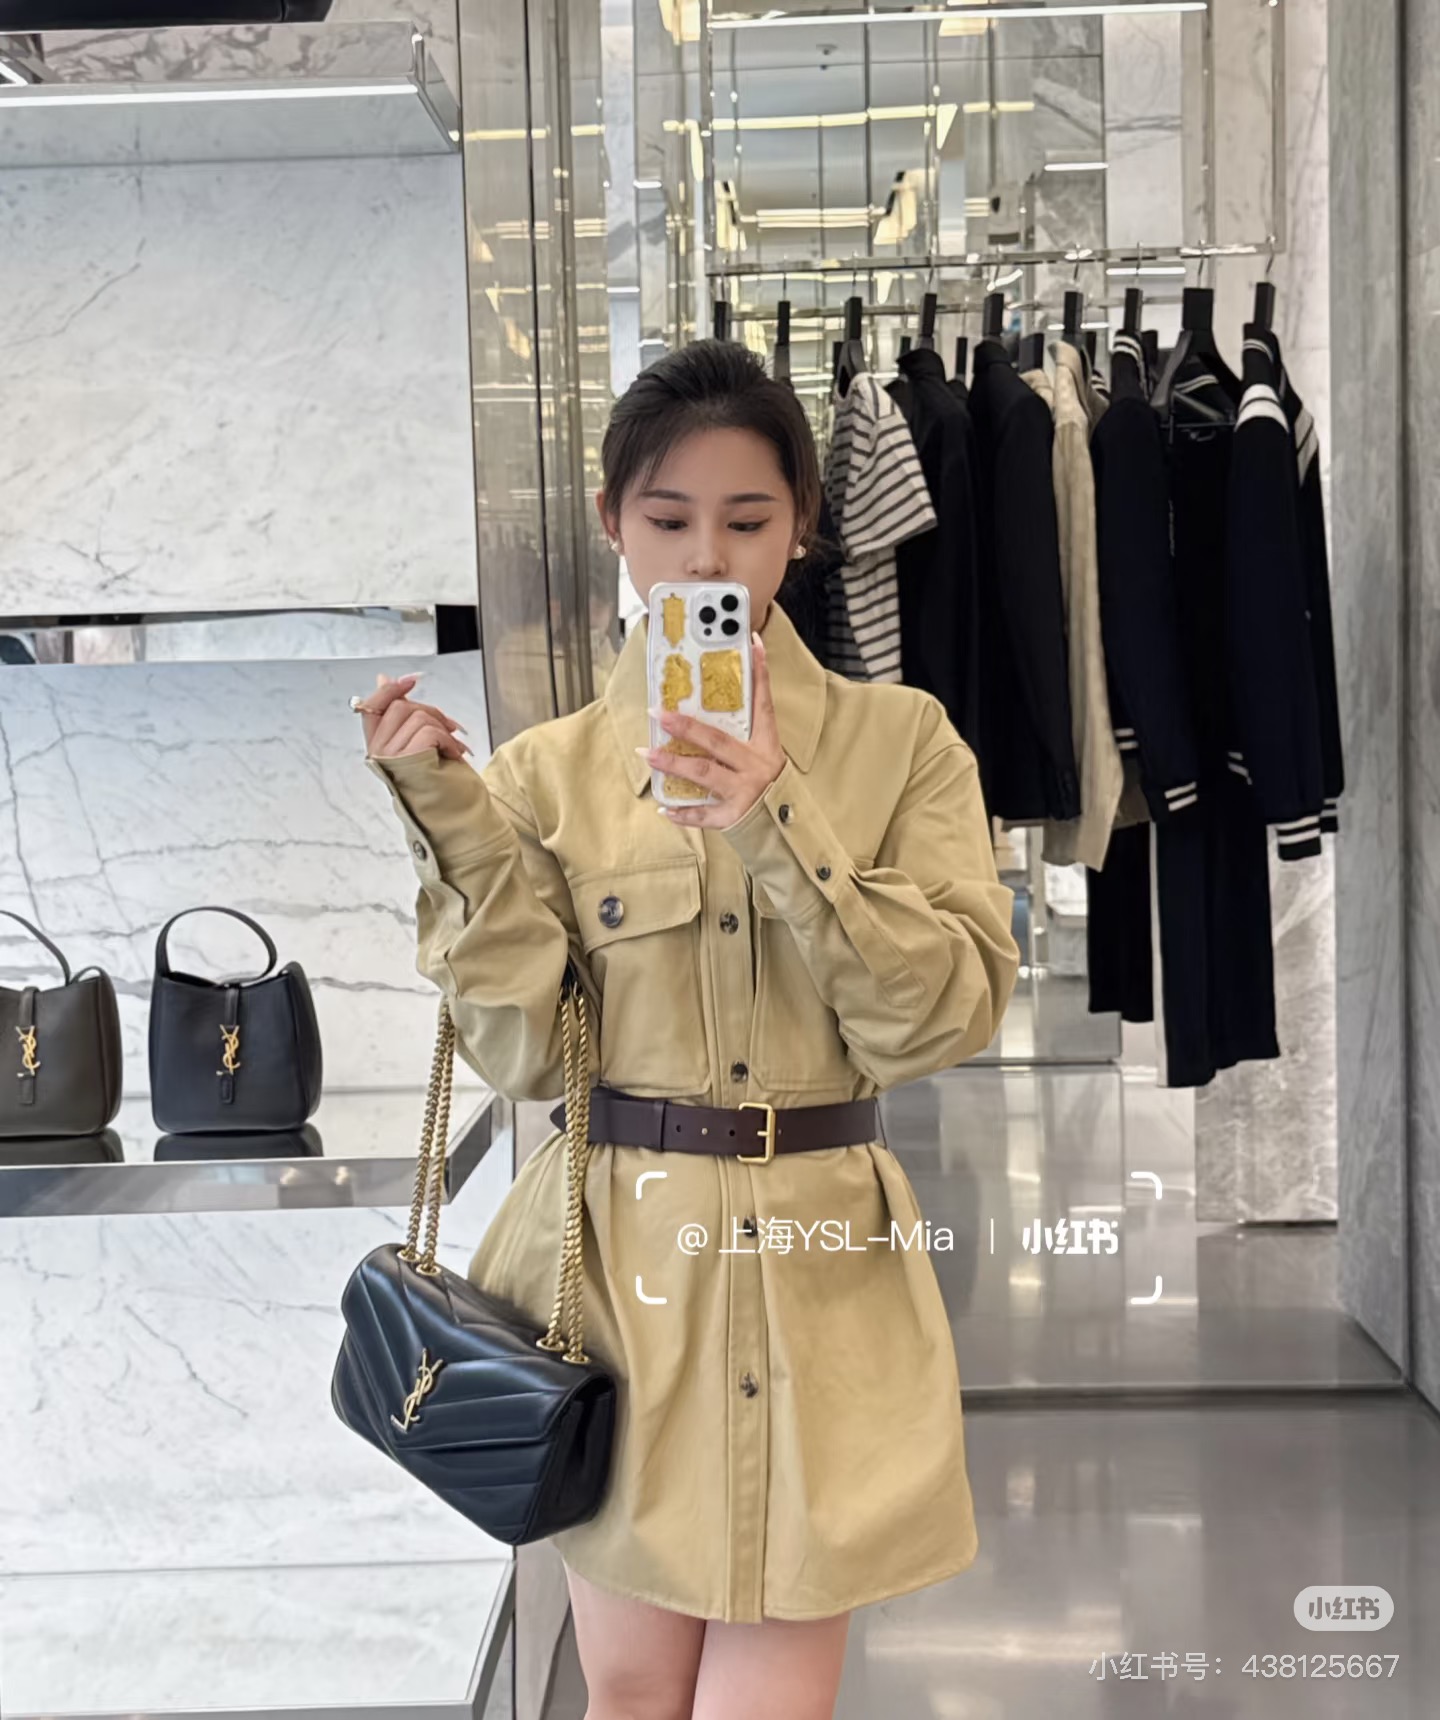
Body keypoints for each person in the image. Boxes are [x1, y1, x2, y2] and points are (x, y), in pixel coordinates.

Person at [352, 340, 1019, 1720]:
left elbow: (936, 1018)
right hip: (617, 1277)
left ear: (804, 528)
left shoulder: (903, 743)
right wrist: (451, 822)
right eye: (668, 520)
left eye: (747, 520)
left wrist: (777, 812)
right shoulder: (545, 773)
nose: (707, 558)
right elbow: (521, 1054)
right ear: (613, 523)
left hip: (825, 1273)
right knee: (632, 1696)